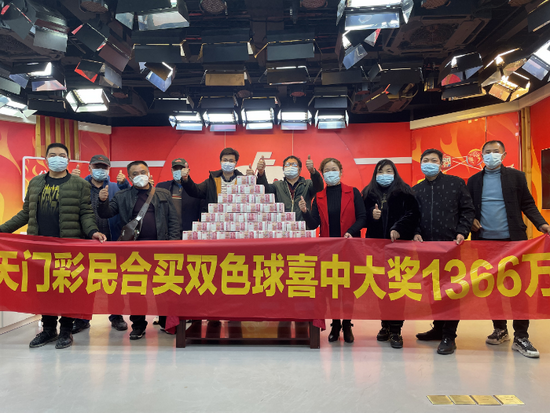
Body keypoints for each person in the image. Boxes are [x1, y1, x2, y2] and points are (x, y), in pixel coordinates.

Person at [0, 143, 107, 349]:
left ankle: (66, 331)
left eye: (62, 155)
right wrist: (3, 230)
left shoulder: (79, 184)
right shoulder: (35, 182)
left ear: (68, 159)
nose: (58, 158)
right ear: (46, 159)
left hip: (67, 247)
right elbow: (26, 213)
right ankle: (48, 330)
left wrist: (92, 231)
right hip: (39, 248)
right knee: (44, 290)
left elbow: (85, 213)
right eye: (53, 155)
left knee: (67, 289)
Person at [467, 140, 550, 358]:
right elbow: (467, 208)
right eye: (487, 152)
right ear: (481, 156)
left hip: (513, 242)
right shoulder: (473, 181)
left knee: (518, 289)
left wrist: (542, 224)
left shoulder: (516, 177)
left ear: (503, 155)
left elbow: (528, 204)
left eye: (495, 151)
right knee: (492, 288)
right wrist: (470, 220)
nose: (491, 155)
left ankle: (521, 336)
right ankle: (500, 329)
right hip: (484, 243)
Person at [97, 160, 180, 340]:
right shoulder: (122, 196)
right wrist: (102, 201)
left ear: (149, 173)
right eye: (135, 174)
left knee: (162, 287)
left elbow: (173, 221)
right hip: (133, 251)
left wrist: (173, 244)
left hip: (160, 249)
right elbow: (106, 213)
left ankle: (165, 322)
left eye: (143, 172)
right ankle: (138, 325)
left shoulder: (163, 193)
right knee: (136, 289)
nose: (140, 176)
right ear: (129, 177)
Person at [413, 148, 475, 355]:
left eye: (434, 160)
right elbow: (412, 216)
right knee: (432, 289)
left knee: (450, 291)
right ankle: (438, 328)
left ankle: (449, 335)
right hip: (425, 248)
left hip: (451, 247)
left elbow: (468, 210)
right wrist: (415, 232)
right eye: (425, 160)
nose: (429, 163)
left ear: (441, 164)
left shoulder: (455, 184)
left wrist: (462, 231)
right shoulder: (416, 189)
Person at [299, 157, 367, 343]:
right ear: (322, 174)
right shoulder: (319, 197)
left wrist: (350, 231)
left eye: (333, 169)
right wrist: (305, 212)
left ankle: (347, 324)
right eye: (326, 170)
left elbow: (363, 217)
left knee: (348, 287)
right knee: (332, 288)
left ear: (341, 171)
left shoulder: (353, 192)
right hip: (329, 250)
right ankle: (335, 324)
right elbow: (313, 224)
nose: (330, 173)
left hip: (350, 247)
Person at [362, 159, 420, 349]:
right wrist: (371, 215)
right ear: (375, 174)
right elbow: (360, 217)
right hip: (376, 248)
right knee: (381, 287)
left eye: (388, 171)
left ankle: (396, 329)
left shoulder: (405, 191)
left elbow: (413, 214)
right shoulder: (368, 192)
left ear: (394, 173)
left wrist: (398, 228)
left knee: (397, 287)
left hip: (399, 248)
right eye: (381, 171)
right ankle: (385, 325)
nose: (384, 175)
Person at [71, 155, 129, 334]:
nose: (100, 170)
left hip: (111, 241)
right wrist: (71, 182)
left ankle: (116, 316)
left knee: (114, 281)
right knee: (84, 281)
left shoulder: (115, 187)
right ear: (89, 168)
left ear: (109, 169)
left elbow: (128, 201)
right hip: (85, 241)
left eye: (104, 167)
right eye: (97, 166)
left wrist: (125, 185)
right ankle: (82, 318)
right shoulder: (80, 185)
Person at [255, 155, 324, 221]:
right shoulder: (277, 185)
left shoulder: (307, 184)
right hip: (282, 226)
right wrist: (261, 173)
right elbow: (264, 190)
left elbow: (319, 187)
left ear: (300, 169)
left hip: (302, 226)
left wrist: (313, 171)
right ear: (283, 169)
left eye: (294, 165)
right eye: (287, 165)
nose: (290, 167)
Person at [180, 147, 254, 207]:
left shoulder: (243, 180)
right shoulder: (212, 181)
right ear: (220, 161)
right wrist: (186, 179)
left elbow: (253, 199)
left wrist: (251, 180)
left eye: (231, 161)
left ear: (236, 163)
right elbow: (195, 191)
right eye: (225, 160)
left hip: (236, 219)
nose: (228, 163)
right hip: (216, 219)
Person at [157, 158, 202, 231]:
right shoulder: (162, 187)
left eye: (181, 169)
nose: (178, 171)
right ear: (172, 170)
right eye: (176, 169)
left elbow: (201, 215)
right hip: (168, 232)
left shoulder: (196, 190)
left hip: (189, 233)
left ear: (188, 171)